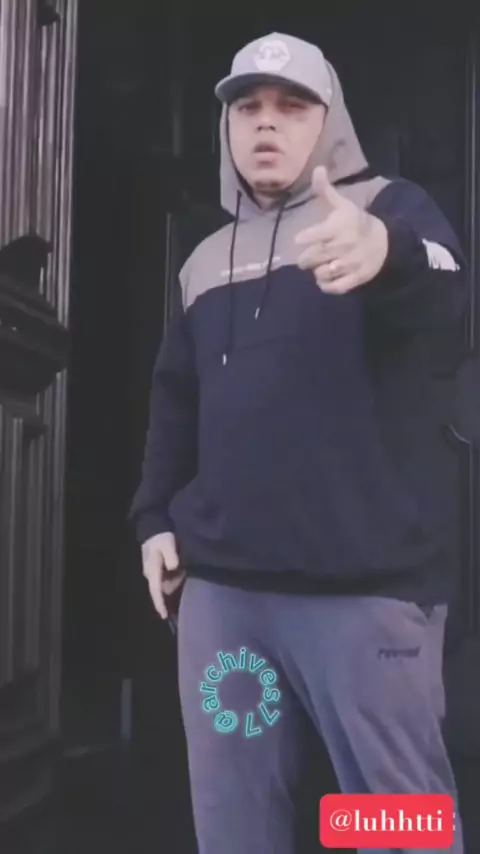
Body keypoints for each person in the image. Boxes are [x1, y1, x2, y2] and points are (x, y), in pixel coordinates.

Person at [129, 32, 466, 854]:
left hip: (363, 596)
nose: (266, 123)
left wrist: (385, 253)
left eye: (291, 105)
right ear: (228, 127)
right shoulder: (204, 259)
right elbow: (176, 400)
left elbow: (451, 300)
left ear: (330, 120)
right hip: (226, 601)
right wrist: (153, 517)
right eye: (247, 107)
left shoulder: (388, 210)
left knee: (398, 826)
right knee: (236, 825)